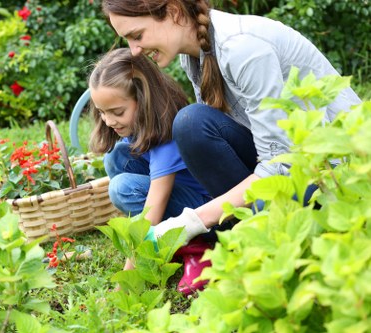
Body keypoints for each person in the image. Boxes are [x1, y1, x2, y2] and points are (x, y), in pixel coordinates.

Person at [101, 2, 362, 245]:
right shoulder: (193, 54)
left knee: (190, 123)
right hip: (274, 166)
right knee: (165, 138)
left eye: (137, 36)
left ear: (173, 12)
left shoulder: (241, 48)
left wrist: (191, 221)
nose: (134, 50)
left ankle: (250, 236)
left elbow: (282, 164)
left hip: (329, 177)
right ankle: (240, 232)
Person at [88, 48, 214, 295]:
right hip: (182, 196)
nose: (108, 121)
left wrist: (126, 283)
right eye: (102, 112)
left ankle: (196, 249)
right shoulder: (138, 125)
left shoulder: (165, 134)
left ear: (143, 99)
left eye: (117, 112)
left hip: (203, 211)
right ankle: (166, 244)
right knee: (116, 158)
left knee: (122, 188)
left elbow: (150, 212)